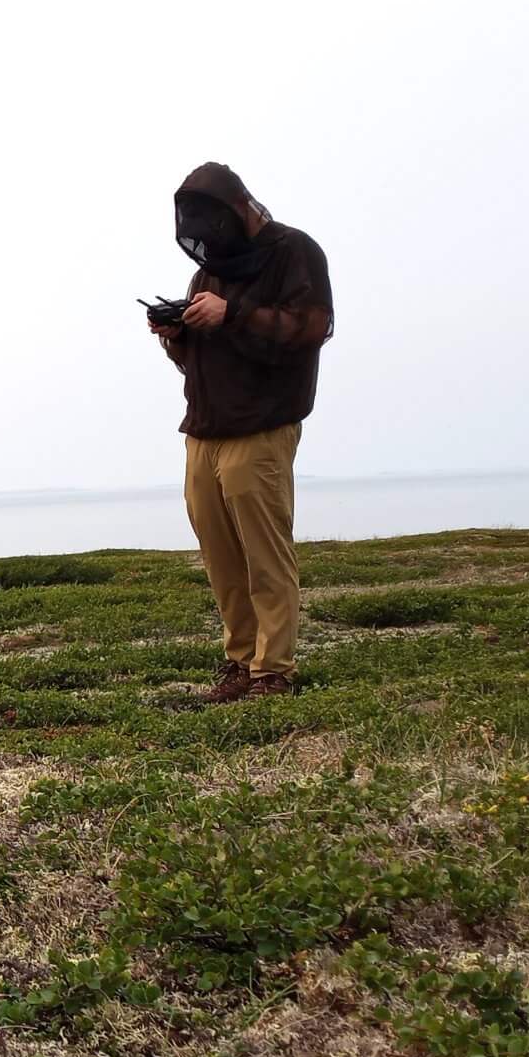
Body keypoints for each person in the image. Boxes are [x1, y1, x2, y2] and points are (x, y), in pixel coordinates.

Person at [150, 163, 334, 701]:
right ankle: (240, 663)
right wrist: (174, 333)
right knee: (221, 551)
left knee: (264, 549)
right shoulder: (209, 271)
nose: (206, 235)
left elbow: (310, 327)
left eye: (213, 220)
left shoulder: (294, 251)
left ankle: (273, 670)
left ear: (238, 209)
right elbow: (198, 360)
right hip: (205, 427)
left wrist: (233, 313)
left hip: (263, 424)